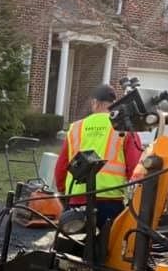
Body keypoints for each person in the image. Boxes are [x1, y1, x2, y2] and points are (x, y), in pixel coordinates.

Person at [54, 83, 143, 226]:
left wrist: (64, 192)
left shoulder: (75, 128)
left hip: (77, 199)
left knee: (74, 245)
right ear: (114, 104)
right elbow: (136, 168)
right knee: (108, 246)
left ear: (94, 102)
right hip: (110, 200)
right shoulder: (125, 128)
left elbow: (61, 167)